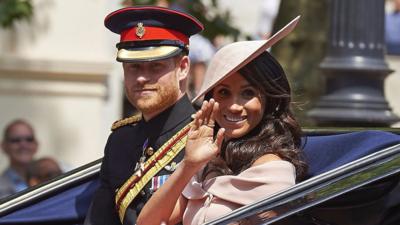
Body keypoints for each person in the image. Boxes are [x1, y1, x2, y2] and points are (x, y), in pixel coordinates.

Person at [137, 17, 307, 225]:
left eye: (248, 93)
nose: (234, 105)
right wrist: (189, 165)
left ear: (269, 99)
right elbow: (148, 222)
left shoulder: (273, 171)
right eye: (224, 93)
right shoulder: (208, 160)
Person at [84, 6, 203, 225]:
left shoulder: (206, 133)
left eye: (155, 66)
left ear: (183, 68)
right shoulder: (121, 139)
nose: (141, 78)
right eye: (134, 67)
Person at [0, 119, 38, 199]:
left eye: (29, 139)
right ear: (3, 146)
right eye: (15, 140)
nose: (23, 145)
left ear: (36, 145)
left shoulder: (57, 173)